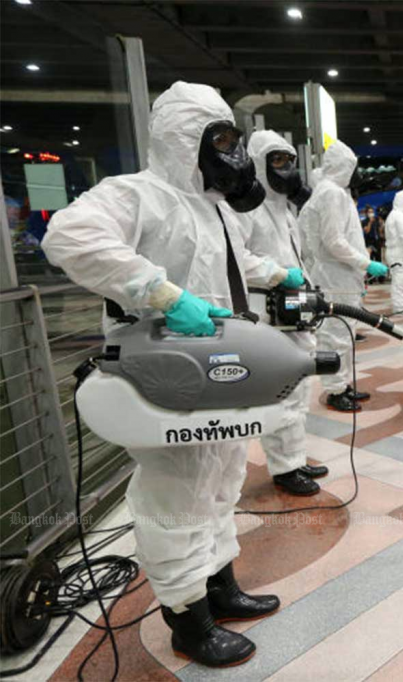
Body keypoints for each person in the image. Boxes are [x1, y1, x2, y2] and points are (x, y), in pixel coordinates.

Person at [42, 82, 296, 667]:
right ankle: (187, 617)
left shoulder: (213, 206)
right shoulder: (136, 194)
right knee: (176, 491)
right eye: (220, 139)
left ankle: (219, 585)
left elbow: (235, 263)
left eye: (233, 139)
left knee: (223, 477)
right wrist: (161, 294)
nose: (232, 153)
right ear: (185, 138)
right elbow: (70, 236)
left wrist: (278, 274)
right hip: (169, 373)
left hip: (222, 367)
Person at [238, 129, 326, 497]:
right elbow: (235, 258)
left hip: (294, 308)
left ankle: (295, 457)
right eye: (276, 160)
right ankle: (284, 468)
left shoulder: (285, 209)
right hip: (268, 310)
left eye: (289, 160)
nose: (285, 168)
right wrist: (276, 274)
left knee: (300, 387)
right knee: (282, 390)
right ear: (259, 163)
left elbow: (297, 257)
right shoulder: (246, 208)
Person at [298, 140, 389, 413]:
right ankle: (335, 390)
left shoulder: (333, 192)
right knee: (335, 335)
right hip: (334, 277)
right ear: (344, 166)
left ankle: (343, 383)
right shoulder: (331, 193)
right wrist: (366, 263)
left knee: (345, 333)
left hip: (341, 277)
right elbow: (334, 242)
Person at [363, 206, 384, 276]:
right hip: (369, 242)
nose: (371, 213)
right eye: (369, 212)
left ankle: (380, 276)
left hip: (377, 241)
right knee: (370, 260)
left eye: (372, 212)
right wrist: (370, 222)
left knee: (379, 259)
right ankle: (371, 277)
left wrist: (381, 225)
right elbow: (366, 231)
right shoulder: (364, 221)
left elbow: (379, 231)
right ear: (366, 213)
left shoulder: (376, 220)